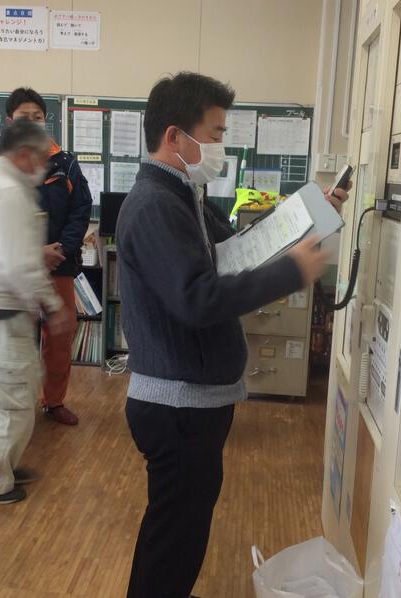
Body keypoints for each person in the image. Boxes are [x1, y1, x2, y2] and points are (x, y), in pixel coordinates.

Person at [116, 72, 350, 598]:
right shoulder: (155, 206)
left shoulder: (186, 196)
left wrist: (315, 215)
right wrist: (292, 273)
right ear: (175, 137)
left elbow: (245, 248)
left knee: (180, 533)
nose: (222, 146)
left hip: (192, 402)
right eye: (216, 134)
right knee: (174, 538)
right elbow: (198, 299)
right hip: (176, 406)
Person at [0, 120, 71, 506]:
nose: (45, 166)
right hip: (1, 310)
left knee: (10, 394)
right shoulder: (8, 191)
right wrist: (52, 305)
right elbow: (18, 266)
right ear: (24, 154)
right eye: (42, 157)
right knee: (17, 403)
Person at [5, 87, 93, 426]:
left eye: (37, 118)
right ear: (10, 122)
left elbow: (81, 210)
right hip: (17, 271)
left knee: (59, 337)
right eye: (24, 118)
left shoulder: (65, 163)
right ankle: (18, 405)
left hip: (60, 265)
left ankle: (54, 402)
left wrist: (60, 250)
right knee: (19, 339)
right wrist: (32, 253)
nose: (31, 123)